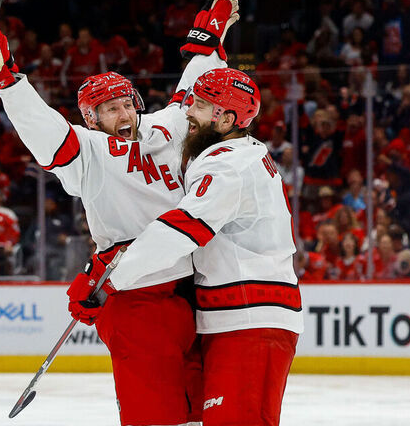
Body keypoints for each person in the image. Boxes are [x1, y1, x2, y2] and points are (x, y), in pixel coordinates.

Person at [0, 0, 240, 426]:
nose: (124, 113)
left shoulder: (164, 127)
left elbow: (191, 92)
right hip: (134, 298)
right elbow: (47, 131)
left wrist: (209, 44)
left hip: (192, 290)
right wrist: (5, 77)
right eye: (111, 108)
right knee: (154, 416)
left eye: (128, 103)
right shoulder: (89, 151)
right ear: (92, 119)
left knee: (200, 411)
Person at [102, 68, 303, 426]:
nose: (189, 111)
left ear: (226, 118)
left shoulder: (229, 165)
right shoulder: (234, 154)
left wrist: (113, 278)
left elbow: (181, 231)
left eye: (201, 105)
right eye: (192, 100)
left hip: (250, 318)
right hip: (235, 317)